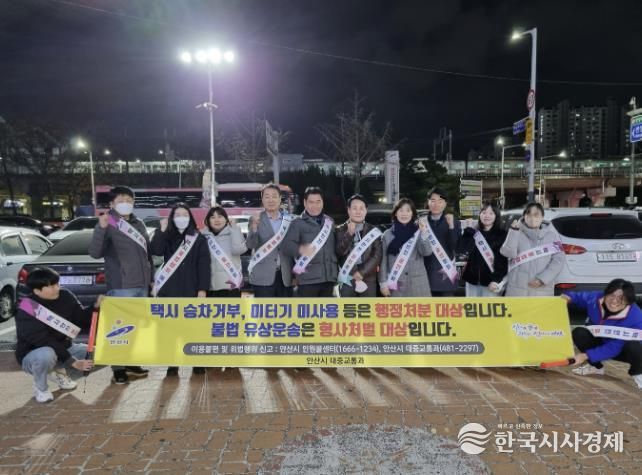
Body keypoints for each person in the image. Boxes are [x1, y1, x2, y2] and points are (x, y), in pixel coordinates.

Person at [89, 185, 150, 384]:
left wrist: (151, 279)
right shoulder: (108, 222)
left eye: (129, 200)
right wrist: (101, 228)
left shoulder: (139, 223)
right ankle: (118, 368)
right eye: (121, 200)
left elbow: (146, 254)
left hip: (141, 285)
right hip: (121, 285)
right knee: (118, 329)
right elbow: (95, 253)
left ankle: (131, 363)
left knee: (136, 328)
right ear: (112, 203)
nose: (126, 203)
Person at [15, 267, 98, 403]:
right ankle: (41, 388)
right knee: (46, 355)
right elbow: (44, 340)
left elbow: (80, 319)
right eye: (51, 286)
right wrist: (72, 362)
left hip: (65, 348)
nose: (57, 288)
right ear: (37, 291)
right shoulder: (27, 308)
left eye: (57, 284)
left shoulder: (65, 295)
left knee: (98, 353)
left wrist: (96, 306)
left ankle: (58, 371)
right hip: (34, 354)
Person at [151, 203, 211, 376]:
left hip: (191, 288)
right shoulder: (167, 236)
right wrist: (161, 230)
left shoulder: (198, 238)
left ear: (190, 217)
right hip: (170, 290)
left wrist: (202, 289)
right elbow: (156, 250)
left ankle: (197, 362)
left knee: (194, 328)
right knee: (170, 329)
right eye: (177, 215)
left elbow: (204, 265)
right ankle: (172, 363)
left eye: (185, 214)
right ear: (172, 218)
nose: (181, 218)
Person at [562, 279, 642, 389]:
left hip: (624, 350)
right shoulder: (595, 298)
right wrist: (565, 299)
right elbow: (576, 296)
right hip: (603, 340)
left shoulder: (635, 317)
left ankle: (638, 373)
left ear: (628, 301)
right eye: (612, 295)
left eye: (621, 298)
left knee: (634, 345)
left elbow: (614, 347)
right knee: (579, 333)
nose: (614, 301)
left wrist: (585, 356)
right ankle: (596, 367)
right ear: (606, 294)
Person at [500, 202, 565, 297]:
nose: (532, 218)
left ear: (542, 217)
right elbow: (508, 253)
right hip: (516, 290)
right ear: (524, 216)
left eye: (536, 215)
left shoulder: (552, 235)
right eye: (529, 215)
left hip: (542, 291)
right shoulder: (516, 231)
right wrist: (513, 232)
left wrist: (543, 279)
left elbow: (559, 260)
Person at [283, 187, 337, 297]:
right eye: (311, 202)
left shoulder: (329, 222)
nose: (315, 206)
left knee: (327, 308)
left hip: (328, 278)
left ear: (322, 202)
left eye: (318, 202)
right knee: (308, 308)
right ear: (305, 203)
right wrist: (300, 249)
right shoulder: (297, 223)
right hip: (307, 280)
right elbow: (286, 246)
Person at [246, 184, 295, 297]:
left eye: (274, 196)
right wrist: (254, 227)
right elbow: (250, 245)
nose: (271, 200)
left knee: (285, 308)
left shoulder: (289, 220)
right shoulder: (256, 218)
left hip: (285, 276)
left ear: (280, 199)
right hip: (263, 276)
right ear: (262, 199)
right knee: (264, 308)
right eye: (267, 197)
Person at [379, 198, 432, 297]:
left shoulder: (418, 231)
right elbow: (383, 260)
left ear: (412, 213)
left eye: (408, 210)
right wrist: (383, 283)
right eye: (401, 210)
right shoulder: (387, 234)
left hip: (417, 283)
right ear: (396, 213)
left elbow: (427, 252)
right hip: (396, 282)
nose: (404, 214)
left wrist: (424, 233)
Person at [335, 194, 383, 297]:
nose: (358, 211)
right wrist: (349, 234)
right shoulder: (339, 230)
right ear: (348, 210)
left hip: (368, 278)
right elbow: (339, 252)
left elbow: (377, 255)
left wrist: (362, 272)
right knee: (348, 307)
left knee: (368, 307)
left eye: (361, 208)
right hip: (347, 278)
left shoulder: (373, 231)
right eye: (354, 208)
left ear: (366, 210)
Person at [458, 202, 508, 297]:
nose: (487, 216)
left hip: (491, 283)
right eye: (484, 212)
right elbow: (462, 250)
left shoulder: (502, 235)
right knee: (472, 306)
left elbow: (503, 261)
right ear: (480, 215)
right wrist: (468, 231)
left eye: (491, 213)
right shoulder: (473, 232)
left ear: (496, 216)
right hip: (471, 281)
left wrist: (496, 280)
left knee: (489, 307)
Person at [201, 206, 247, 297]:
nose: (217, 220)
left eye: (220, 216)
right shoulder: (203, 236)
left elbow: (239, 250)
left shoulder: (234, 232)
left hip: (231, 286)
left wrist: (234, 229)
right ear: (208, 221)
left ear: (226, 219)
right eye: (213, 217)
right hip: (210, 286)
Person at [423, 187, 461, 297]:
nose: (436, 204)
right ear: (428, 202)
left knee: (446, 307)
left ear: (445, 203)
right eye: (433, 200)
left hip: (446, 275)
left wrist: (451, 227)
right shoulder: (421, 222)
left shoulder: (454, 222)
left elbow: (455, 247)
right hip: (426, 275)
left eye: (440, 201)